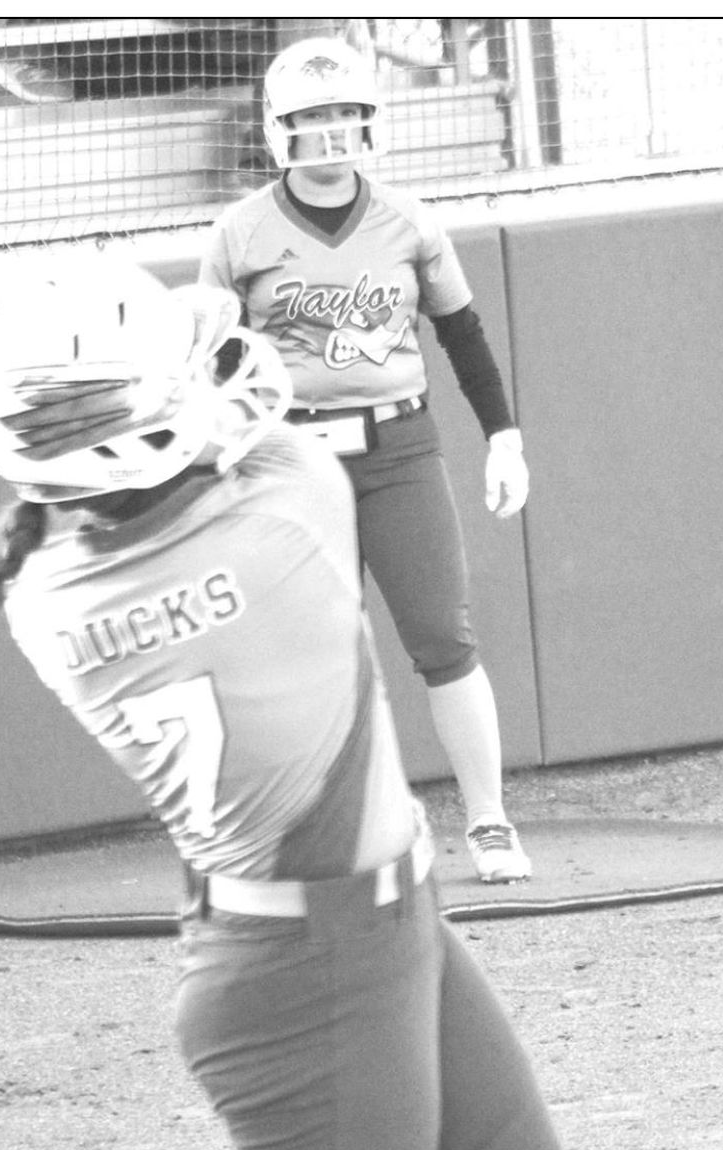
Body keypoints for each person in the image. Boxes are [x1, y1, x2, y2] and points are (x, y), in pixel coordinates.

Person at [0, 255, 619, 1150]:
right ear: (142, 435)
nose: (215, 377)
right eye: (185, 377)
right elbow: (274, 396)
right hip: (315, 979)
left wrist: (67, 340)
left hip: (349, 942)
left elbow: (137, 436)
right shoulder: (284, 509)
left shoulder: (47, 589)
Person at [200, 36, 533, 885]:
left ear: (370, 123)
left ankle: (489, 821)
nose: (333, 134)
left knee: (443, 638)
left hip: (399, 446)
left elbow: (462, 332)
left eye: (347, 115)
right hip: (293, 454)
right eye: (312, 119)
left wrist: (503, 433)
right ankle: (354, 833)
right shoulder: (239, 231)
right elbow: (210, 361)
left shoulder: (410, 220)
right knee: (318, 655)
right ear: (280, 130)